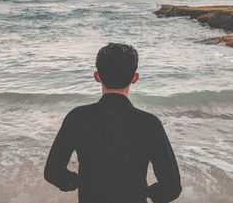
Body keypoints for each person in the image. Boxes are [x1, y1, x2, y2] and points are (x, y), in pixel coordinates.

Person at [44, 43, 182, 203]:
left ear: (97, 76)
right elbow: (172, 187)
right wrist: (143, 192)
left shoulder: (78, 117)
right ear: (135, 78)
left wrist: (79, 182)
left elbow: (53, 172)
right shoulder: (149, 124)